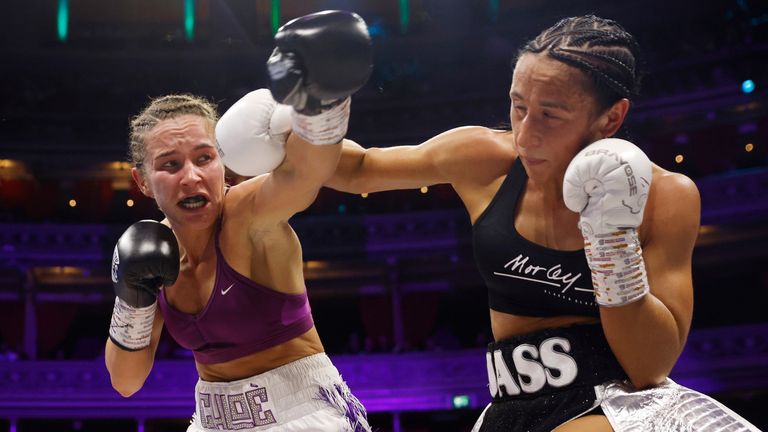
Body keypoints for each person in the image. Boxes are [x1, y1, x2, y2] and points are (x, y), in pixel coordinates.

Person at [319, 15, 761, 432]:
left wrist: (610, 239)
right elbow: (357, 170)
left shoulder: (667, 196)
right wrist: (307, 106)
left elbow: (651, 367)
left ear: (612, 117)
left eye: (550, 115)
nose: (526, 133)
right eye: (518, 106)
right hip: (506, 407)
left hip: (613, 402)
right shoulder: (485, 158)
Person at [104, 10, 373, 432]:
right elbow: (126, 381)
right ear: (141, 181)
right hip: (211, 421)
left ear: (223, 163)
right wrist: (131, 297)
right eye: (170, 164)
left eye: (204, 158)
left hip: (302, 414)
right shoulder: (153, 256)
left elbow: (304, 177)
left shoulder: (246, 212)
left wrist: (325, 97)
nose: (191, 176)